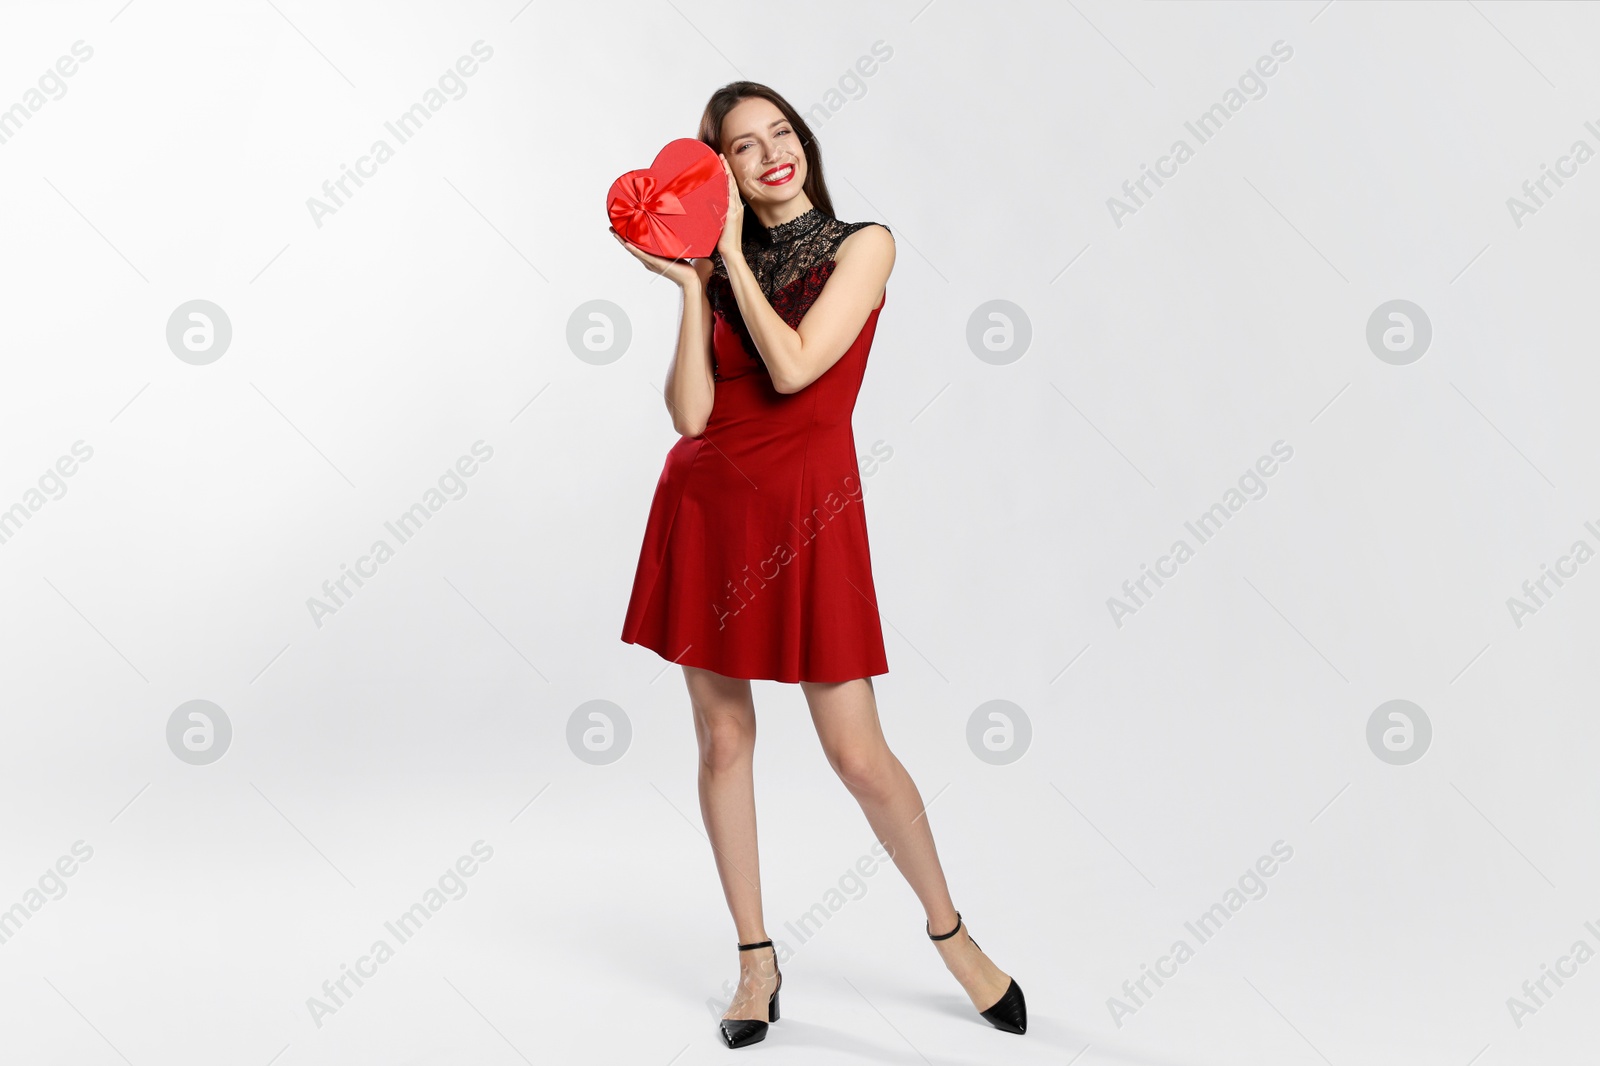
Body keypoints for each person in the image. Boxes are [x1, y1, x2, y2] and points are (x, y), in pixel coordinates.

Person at [613, 80, 1026, 1050]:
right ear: (721, 172)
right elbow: (689, 417)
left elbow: (798, 368)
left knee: (856, 753)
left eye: (781, 133)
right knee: (723, 743)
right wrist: (689, 286)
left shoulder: (863, 245)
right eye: (743, 148)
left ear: (804, 141)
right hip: (709, 506)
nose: (770, 155)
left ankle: (952, 934)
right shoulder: (717, 269)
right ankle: (756, 959)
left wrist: (724, 265)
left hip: (809, 515)